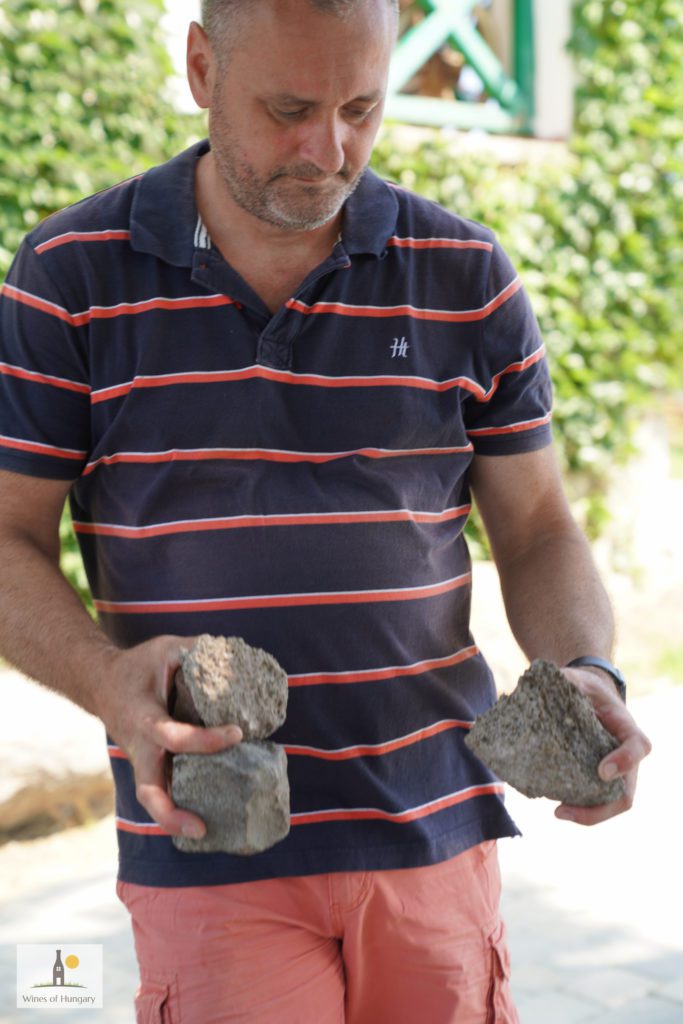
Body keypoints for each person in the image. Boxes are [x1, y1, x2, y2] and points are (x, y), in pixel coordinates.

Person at [0, 0, 651, 1020]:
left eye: (360, 108)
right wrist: (104, 681)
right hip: (210, 841)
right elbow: (7, 539)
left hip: (433, 832)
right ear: (202, 67)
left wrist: (587, 669)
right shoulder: (69, 277)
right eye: (289, 109)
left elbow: (536, 530)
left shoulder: (466, 277)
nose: (327, 151)